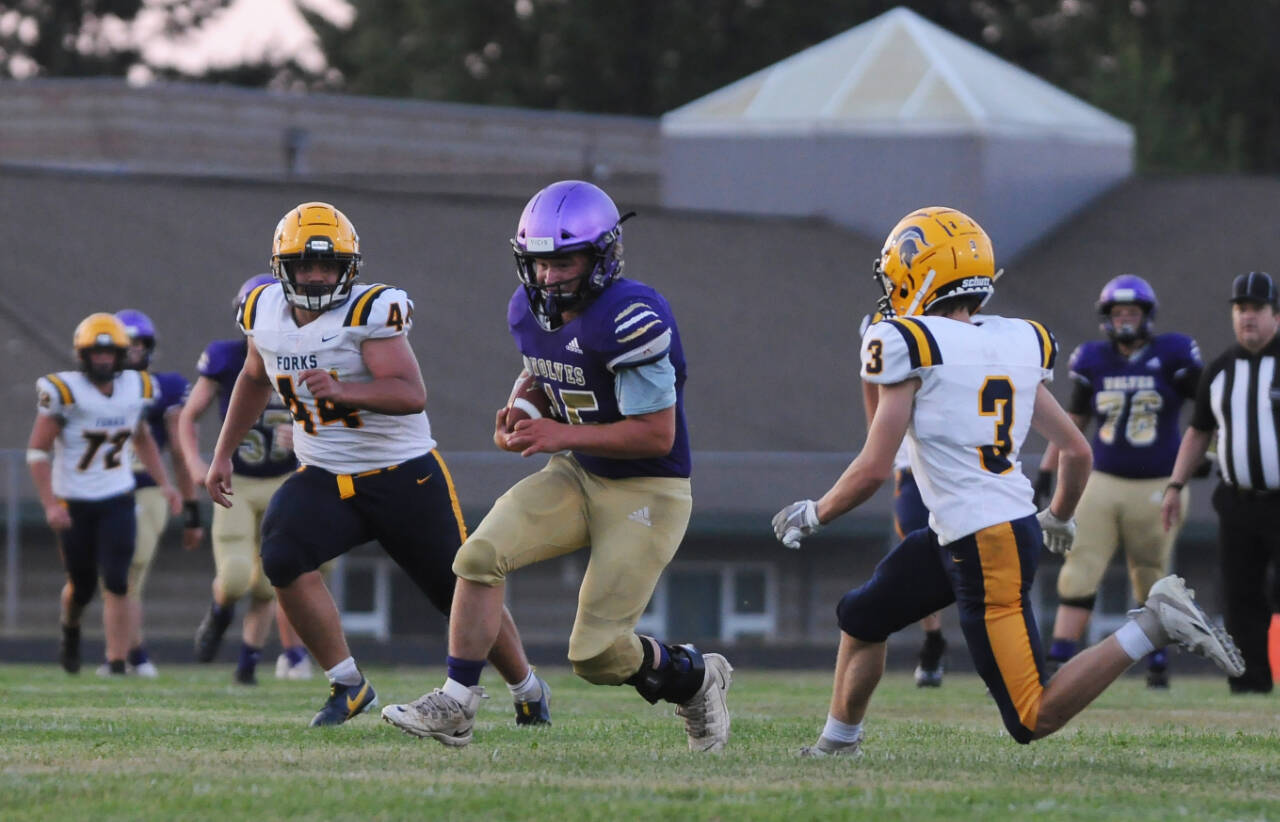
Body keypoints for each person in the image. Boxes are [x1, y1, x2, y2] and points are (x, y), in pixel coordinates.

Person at [773, 206, 1244, 756]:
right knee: (862, 615)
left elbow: (876, 467)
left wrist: (816, 511)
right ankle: (838, 743)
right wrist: (1060, 517)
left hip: (985, 543)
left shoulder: (910, 343)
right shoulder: (1014, 340)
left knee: (1031, 716)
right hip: (974, 529)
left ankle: (1154, 624)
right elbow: (1076, 450)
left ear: (920, 272)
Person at [381, 180, 733, 751]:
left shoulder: (632, 315)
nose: (548, 277)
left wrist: (558, 433)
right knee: (477, 557)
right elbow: (549, 374)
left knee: (595, 655)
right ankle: (458, 702)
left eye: (563, 261)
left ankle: (696, 678)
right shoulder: (527, 310)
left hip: (648, 488)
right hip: (580, 472)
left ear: (602, 255)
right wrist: (522, 410)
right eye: (539, 263)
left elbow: (655, 433)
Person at [205, 201, 544, 726]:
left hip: (402, 474)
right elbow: (253, 376)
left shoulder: (370, 311)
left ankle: (526, 686)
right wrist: (223, 452)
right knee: (282, 556)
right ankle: (347, 685)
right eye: (305, 265)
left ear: (349, 269)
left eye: (328, 266)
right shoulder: (262, 311)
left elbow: (411, 393)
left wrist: (343, 390)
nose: (317, 276)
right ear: (282, 269)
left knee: (459, 590)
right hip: (322, 473)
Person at [1033, 275, 1203, 688]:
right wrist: (1046, 470)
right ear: (1106, 318)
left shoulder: (1174, 353)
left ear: (1147, 316)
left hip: (1158, 482)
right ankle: (1058, 662)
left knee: (1150, 575)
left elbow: (1208, 411)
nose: (1125, 320)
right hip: (1103, 480)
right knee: (1079, 567)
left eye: (1132, 312)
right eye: (1118, 313)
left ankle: (1157, 663)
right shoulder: (1093, 358)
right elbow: (1073, 424)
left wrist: (1206, 456)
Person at [176, 274, 317, 685]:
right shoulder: (225, 357)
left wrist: (308, 432)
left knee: (272, 581)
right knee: (237, 575)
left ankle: (247, 665)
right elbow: (188, 416)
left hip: (285, 478)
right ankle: (219, 614)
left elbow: (339, 414)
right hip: (237, 480)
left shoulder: (313, 352)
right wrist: (195, 464)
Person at [27, 313, 181, 675]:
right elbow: (37, 452)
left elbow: (141, 435)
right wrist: (50, 504)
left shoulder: (137, 387)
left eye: (110, 353)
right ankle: (71, 628)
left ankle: (115, 661)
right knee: (81, 586)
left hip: (117, 495)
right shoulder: (64, 391)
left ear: (121, 355)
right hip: (73, 500)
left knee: (116, 578)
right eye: (96, 353)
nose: (103, 360)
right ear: (82, 355)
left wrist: (165, 483)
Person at [1162, 271, 1280, 694]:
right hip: (1238, 502)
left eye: (1256, 309)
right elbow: (1198, 432)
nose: (1247, 317)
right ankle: (1250, 687)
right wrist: (1175, 486)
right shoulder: (1219, 370)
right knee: (1239, 597)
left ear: (1275, 314)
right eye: (1240, 309)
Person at [104, 309, 203, 678]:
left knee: (131, 569)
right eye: (126, 343)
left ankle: (128, 656)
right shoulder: (86, 388)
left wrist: (191, 509)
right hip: (100, 491)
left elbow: (179, 450)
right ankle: (128, 653)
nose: (132, 351)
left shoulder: (164, 387)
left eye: (139, 343)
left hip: (146, 487)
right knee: (110, 578)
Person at [859, 318, 948, 687]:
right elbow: (872, 395)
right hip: (912, 465)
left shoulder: (949, 326)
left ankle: (1000, 655)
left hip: (956, 463)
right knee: (920, 550)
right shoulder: (881, 327)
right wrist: (880, 452)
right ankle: (934, 638)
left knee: (979, 561)